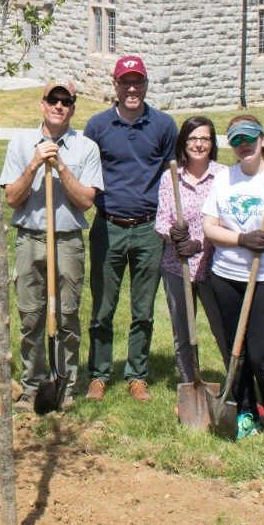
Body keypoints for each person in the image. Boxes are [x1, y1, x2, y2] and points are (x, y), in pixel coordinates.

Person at [201, 116, 264, 447]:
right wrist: (242, 239)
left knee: (262, 353)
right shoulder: (223, 179)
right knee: (237, 351)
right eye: (235, 140)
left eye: (249, 138)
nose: (243, 145)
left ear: (262, 139)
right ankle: (245, 410)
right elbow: (210, 227)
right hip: (227, 277)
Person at [0, 79, 102, 412]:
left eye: (66, 101)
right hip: (30, 238)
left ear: (73, 107)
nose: (59, 106)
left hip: (68, 240)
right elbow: (12, 198)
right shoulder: (20, 143)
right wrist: (34, 164)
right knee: (31, 316)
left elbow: (86, 201)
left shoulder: (86, 148)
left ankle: (65, 386)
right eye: (53, 100)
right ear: (42, 104)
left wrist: (59, 165)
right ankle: (32, 387)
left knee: (67, 315)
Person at [83, 55, 179, 402]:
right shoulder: (97, 126)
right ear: (116, 86)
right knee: (103, 307)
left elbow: (172, 175)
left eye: (138, 81)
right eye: (126, 81)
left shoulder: (164, 125)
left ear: (147, 84)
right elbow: (87, 173)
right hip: (108, 226)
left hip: (148, 230)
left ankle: (137, 374)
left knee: (143, 309)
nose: (132, 88)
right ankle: (98, 373)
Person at [154, 116, 228, 388]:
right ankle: (189, 383)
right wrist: (173, 235)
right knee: (183, 332)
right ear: (183, 142)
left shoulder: (223, 176)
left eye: (205, 138)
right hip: (177, 266)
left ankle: (235, 383)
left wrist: (200, 242)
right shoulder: (170, 177)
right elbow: (161, 219)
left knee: (224, 330)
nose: (198, 144)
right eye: (192, 138)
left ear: (212, 143)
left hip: (213, 265)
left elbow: (227, 222)